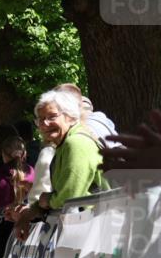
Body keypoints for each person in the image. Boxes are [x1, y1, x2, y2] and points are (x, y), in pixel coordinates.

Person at [15, 89, 108, 241]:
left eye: (52, 117)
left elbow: (69, 196)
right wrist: (29, 213)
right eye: (40, 119)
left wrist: (47, 200)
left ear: (70, 117)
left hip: (97, 234)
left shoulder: (76, 143)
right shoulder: (63, 145)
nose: (44, 124)